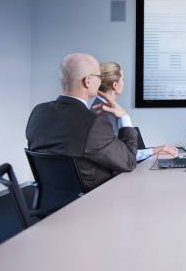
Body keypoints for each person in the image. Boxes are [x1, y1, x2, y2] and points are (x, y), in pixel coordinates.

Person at [26, 53, 139, 191]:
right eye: (99, 77)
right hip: (92, 202)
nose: (101, 81)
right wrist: (124, 117)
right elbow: (129, 162)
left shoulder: (39, 112)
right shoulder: (93, 123)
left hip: (50, 198)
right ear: (88, 81)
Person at [92, 61, 178, 161]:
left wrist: (156, 150)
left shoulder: (103, 107)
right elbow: (124, 157)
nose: (123, 83)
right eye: (122, 79)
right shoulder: (105, 114)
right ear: (115, 85)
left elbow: (122, 152)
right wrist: (125, 117)